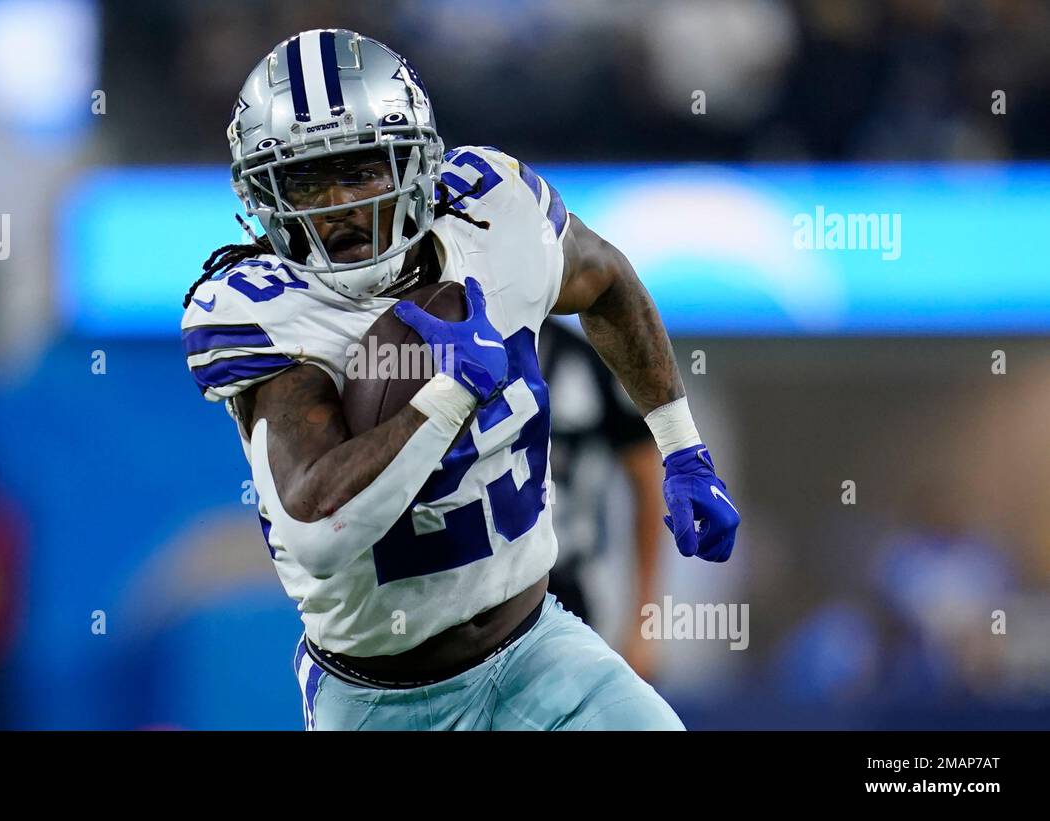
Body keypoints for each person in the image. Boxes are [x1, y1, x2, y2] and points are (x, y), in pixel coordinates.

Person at [181, 29, 740, 730]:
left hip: (539, 647)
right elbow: (320, 532)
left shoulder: (493, 216)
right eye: (306, 180)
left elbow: (606, 281)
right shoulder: (266, 308)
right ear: (263, 194)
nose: (336, 204)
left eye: (360, 169)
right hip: (384, 699)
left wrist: (682, 446)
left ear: (416, 163)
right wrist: (448, 394)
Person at [538, 317, 665, 680]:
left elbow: (647, 478)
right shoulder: (451, 354)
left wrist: (644, 619)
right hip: (475, 599)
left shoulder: (586, 359)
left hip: (571, 594)